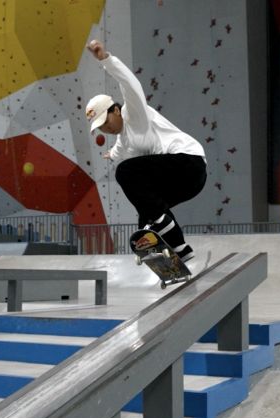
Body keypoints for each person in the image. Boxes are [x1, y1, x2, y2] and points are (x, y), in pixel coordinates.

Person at [85, 39, 207, 261]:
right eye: (101, 127)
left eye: (106, 122)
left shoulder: (133, 113)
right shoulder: (123, 142)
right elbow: (119, 151)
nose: (106, 128)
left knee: (125, 172)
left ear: (115, 110)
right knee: (147, 214)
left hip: (188, 162)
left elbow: (130, 83)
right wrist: (111, 154)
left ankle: (163, 225)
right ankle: (180, 251)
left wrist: (106, 60)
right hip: (185, 182)